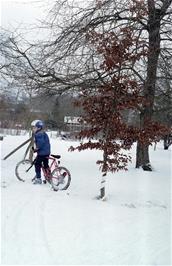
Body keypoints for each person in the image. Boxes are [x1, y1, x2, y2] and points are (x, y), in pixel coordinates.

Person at [31, 120, 51, 184]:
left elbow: (40, 143)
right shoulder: (43, 133)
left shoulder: (39, 134)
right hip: (46, 152)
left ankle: (38, 179)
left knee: (37, 164)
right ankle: (49, 177)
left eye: (35, 127)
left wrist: (36, 149)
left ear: (39, 128)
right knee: (45, 165)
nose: (34, 129)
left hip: (42, 153)